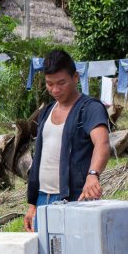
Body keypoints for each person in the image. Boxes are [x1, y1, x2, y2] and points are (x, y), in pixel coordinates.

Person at [25, 50, 110, 233]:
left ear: (75, 77)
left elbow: (102, 143)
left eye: (61, 83)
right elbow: (39, 158)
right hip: (42, 199)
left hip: (73, 199)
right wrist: (32, 204)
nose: (55, 90)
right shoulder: (46, 111)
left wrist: (93, 174)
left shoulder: (90, 108)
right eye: (49, 84)